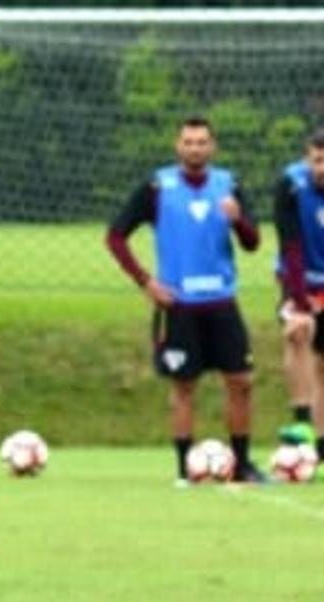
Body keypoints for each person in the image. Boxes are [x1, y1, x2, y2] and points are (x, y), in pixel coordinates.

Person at [105, 115, 266, 484]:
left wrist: (238, 220)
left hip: (222, 302)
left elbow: (253, 243)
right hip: (179, 306)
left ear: (213, 147)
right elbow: (115, 237)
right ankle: (184, 469)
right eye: (188, 142)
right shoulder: (157, 187)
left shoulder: (229, 185)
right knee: (183, 387)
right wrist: (146, 282)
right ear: (178, 146)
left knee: (241, 382)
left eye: (202, 142)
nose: (195, 148)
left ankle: (241, 465)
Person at [270, 126, 324, 459]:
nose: (323, 168)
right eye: (317, 160)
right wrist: (301, 300)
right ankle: (302, 423)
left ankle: (318, 446)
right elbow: (289, 244)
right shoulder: (290, 185)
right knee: (298, 330)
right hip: (299, 277)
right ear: (307, 158)